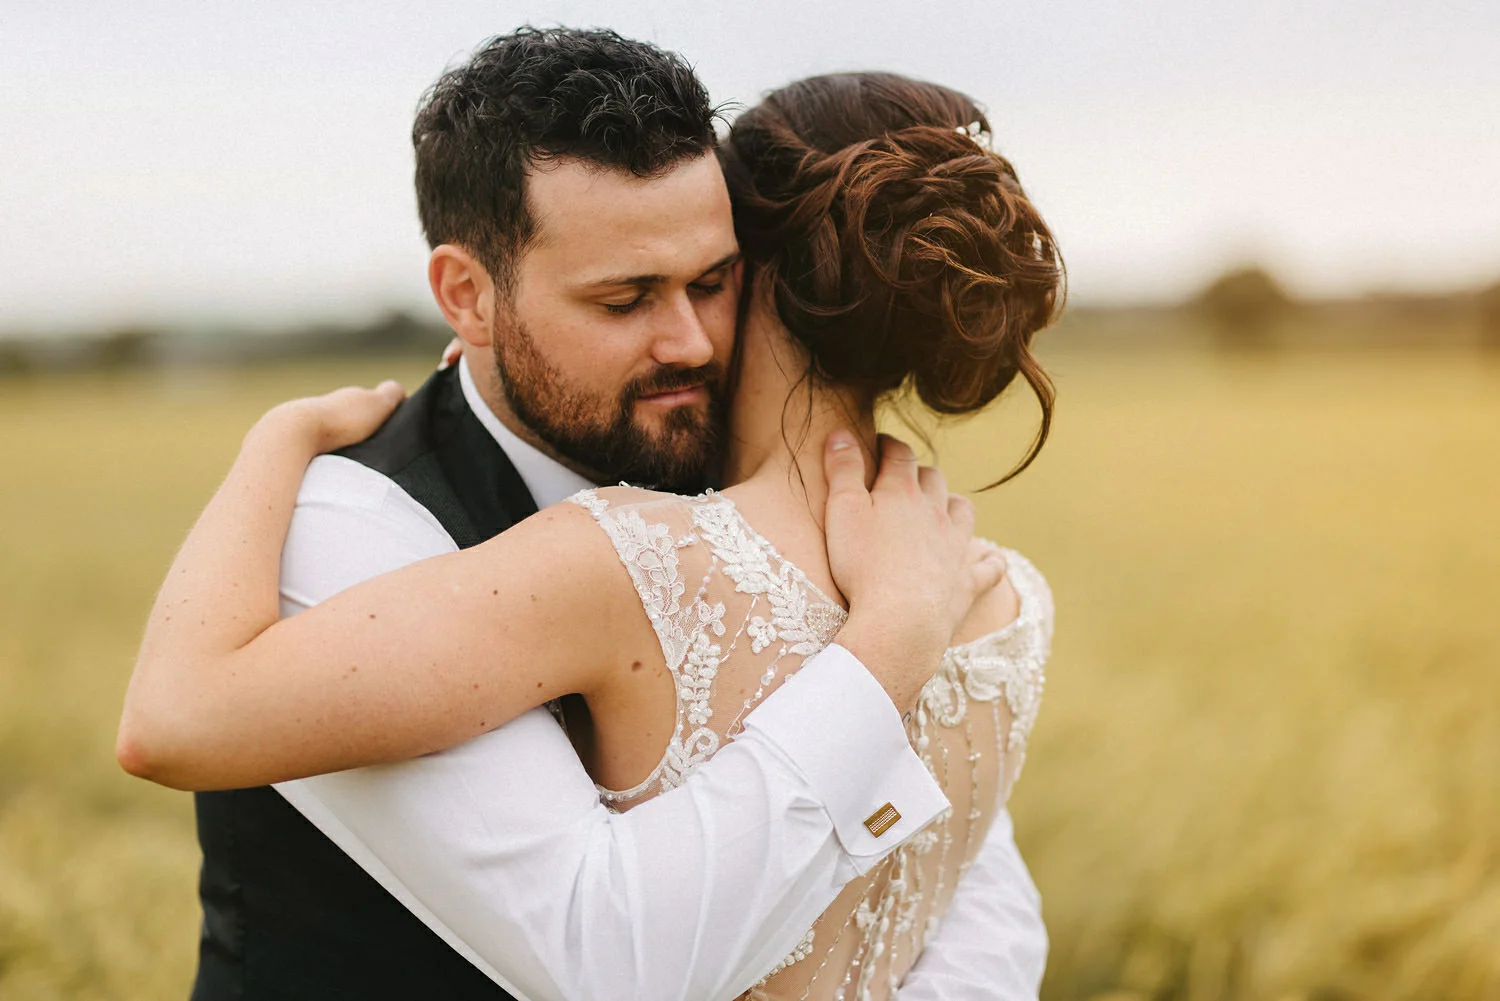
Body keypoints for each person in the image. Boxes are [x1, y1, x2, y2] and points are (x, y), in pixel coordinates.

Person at [118, 30, 1056, 1001]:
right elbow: (598, 953)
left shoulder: (760, 496)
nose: (688, 341)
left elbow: (963, 876)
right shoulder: (348, 523)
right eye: (624, 299)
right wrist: (891, 642)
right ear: (468, 296)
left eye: (711, 281)